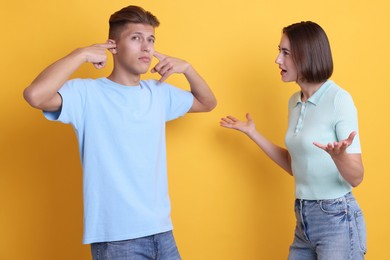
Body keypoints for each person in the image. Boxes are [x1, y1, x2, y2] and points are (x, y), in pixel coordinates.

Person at [24, 5, 217, 260]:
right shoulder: (87, 94)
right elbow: (35, 95)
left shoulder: (158, 92)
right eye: (136, 38)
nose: (146, 47)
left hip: (162, 231)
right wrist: (80, 54)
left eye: (150, 40)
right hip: (117, 239)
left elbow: (207, 103)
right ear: (113, 45)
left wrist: (188, 68)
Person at [220, 21, 366, 259]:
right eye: (279, 51)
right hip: (304, 218)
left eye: (285, 53)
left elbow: (357, 176)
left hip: (337, 218)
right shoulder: (294, 102)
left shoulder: (339, 100)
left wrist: (339, 158)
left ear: (306, 55)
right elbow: (293, 164)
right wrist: (252, 132)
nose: (278, 60)